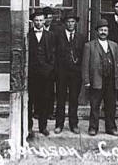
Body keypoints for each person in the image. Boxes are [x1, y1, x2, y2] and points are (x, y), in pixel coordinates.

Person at [82, 19, 118, 136]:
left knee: (111, 105)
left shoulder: (114, 45)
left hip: (111, 80)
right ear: (97, 32)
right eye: (101, 30)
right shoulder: (89, 46)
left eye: (105, 30)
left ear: (108, 31)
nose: (103, 32)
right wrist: (87, 80)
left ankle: (111, 128)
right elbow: (85, 65)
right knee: (95, 105)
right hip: (96, 80)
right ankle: (93, 128)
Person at [54, 11, 85, 134]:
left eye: (72, 22)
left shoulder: (81, 38)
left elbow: (83, 56)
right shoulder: (57, 36)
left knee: (74, 99)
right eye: (68, 22)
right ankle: (59, 124)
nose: (70, 24)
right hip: (61, 73)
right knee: (60, 99)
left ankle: (73, 124)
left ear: (75, 23)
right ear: (64, 23)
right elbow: (54, 54)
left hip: (76, 74)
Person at [28, 9, 55, 137]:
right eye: (36, 21)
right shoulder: (28, 36)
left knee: (44, 100)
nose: (38, 23)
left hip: (46, 75)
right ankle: (28, 126)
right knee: (30, 101)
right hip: (32, 75)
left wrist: (49, 69)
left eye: (41, 20)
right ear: (33, 22)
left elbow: (54, 55)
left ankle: (43, 127)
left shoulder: (50, 36)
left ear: (44, 21)